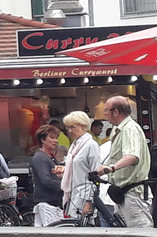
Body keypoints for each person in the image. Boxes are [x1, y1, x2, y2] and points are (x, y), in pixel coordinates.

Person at [93, 97, 150, 226]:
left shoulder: (129, 129)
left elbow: (132, 156)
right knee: (128, 235)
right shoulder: (120, 129)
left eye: (106, 110)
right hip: (124, 194)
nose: (104, 113)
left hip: (132, 194)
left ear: (116, 112)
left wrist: (111, 168)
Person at [61, 112, 114, 226]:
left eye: (73, 127)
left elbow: (95, 175)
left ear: (84, 126)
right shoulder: (75, 144)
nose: (70, 131)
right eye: (68, 127)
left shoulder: (91, 145)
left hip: (84, 195)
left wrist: (89, 202)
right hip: (74, 193)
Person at [30, 128, 64, 227]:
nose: (55, 141)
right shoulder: (40, 158)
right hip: (47, 203)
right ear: (43, 140)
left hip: (54, 203)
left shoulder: (50, 157)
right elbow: (45, 180)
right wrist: (65, 185)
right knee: (53, 234)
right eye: (52, 138)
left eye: (56, 138)